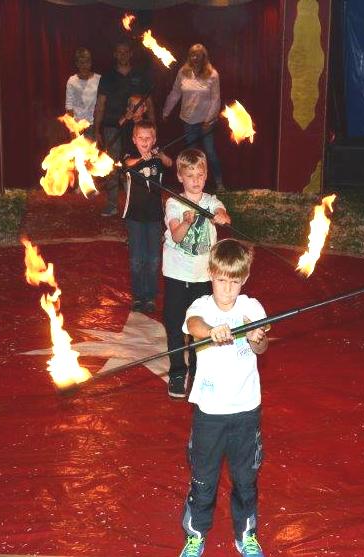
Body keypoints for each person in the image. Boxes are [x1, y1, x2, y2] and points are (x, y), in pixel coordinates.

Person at [177, 238, 269, 557]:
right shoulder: (202, 305)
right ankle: (195, 534)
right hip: (210, 413)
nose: (227, 290)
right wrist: (212, 330)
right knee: (204, 478)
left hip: (245, 411)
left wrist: (256, 335)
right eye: (220, 280)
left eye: (233, 282)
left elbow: (260, 343)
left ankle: (246, 535)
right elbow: (193, 325)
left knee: (245, 479)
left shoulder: (251, 307)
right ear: (211, 275)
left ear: (243, 280)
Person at [162, 148, 231, 399]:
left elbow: (224, 215)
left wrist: (221, 216)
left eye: (200, 175)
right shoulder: (173, 202)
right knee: (174, 324)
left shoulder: (210, 201)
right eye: (190, 175)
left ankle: (198, 368)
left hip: (203, 277)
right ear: (180, 177)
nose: (195, 180)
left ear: (205, 176)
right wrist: (186, 222)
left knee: (199, 326)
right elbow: (178, 237)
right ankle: (177, 371)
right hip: (177, 275)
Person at [94, 39, 152, 217]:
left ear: (131, 54)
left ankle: (133, 204)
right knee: (112, 167)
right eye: (119, 52)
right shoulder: (108, 76)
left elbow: (148, 101)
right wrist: (97, 130)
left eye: (126, 51)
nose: (123, 55)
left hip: (136, 128)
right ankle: (112, 204)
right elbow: (101, 104)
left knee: (134, 166)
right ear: (115, 54)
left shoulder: (140, 74)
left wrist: (152, 124)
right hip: (113, 127)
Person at [122, 121, 172, 313]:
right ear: (134, 140)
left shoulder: (157, 157)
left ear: (154, 139)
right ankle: (138, 295)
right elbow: (127, 166)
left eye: (148, 138)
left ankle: (150, 296)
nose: (144, 141)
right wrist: (142, 158)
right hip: (134, 216)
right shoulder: (130, 156)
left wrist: (158, 154)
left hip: (154, 216)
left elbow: (169, 163)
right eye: (140, 138)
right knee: (136, 259)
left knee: (153, 259)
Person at [162, 44, 225, 193]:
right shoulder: (183, 72)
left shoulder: (212, 74)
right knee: (192, 155)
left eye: (199, 55)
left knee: (209, 152)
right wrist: (166, 111)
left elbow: (216, 99)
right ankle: (193, 186)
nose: (195, 58)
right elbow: (175, 93)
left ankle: (219, 182)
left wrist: (208, 120)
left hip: (206, 122)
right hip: (188, 120)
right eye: (192, 55)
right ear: (189, 56)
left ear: (204, 57)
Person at [64, 47, 101, 132]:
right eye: (81, 62)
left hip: (95, 125)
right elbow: (69, 107)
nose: (84, 65)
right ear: (77, 63)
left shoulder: (99, 79)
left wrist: (97, 127)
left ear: (91, 62)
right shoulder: (72, 81)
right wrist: (73, 129)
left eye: (87, 62)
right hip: (78, 126)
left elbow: (101, 104)